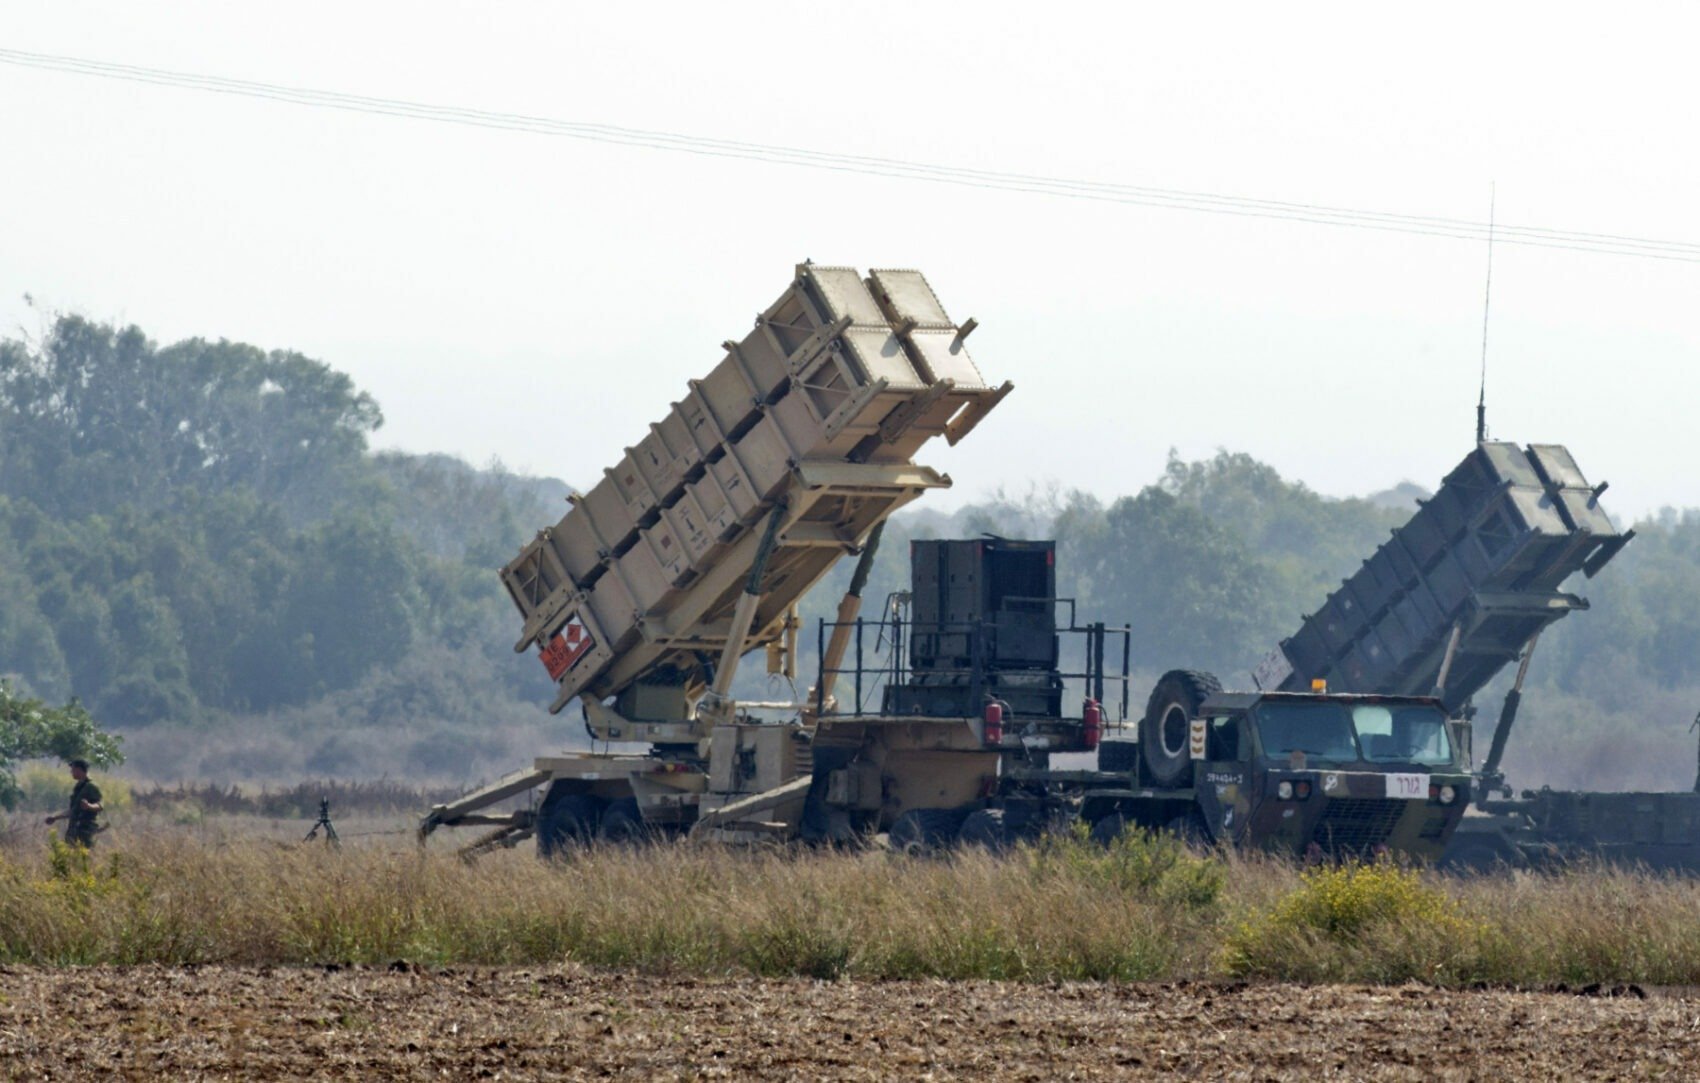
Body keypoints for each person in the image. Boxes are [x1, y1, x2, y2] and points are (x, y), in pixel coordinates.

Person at [43, 758, 104, 848]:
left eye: (73, 770)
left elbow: (100, 805)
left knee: (84, 857)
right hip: (74, 830)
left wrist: (89, 806)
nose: (71, 772)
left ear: (79, 770)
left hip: (85, 831)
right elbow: (73, 810)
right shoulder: (78, 787)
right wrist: (55, 817)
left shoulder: (91, 786)